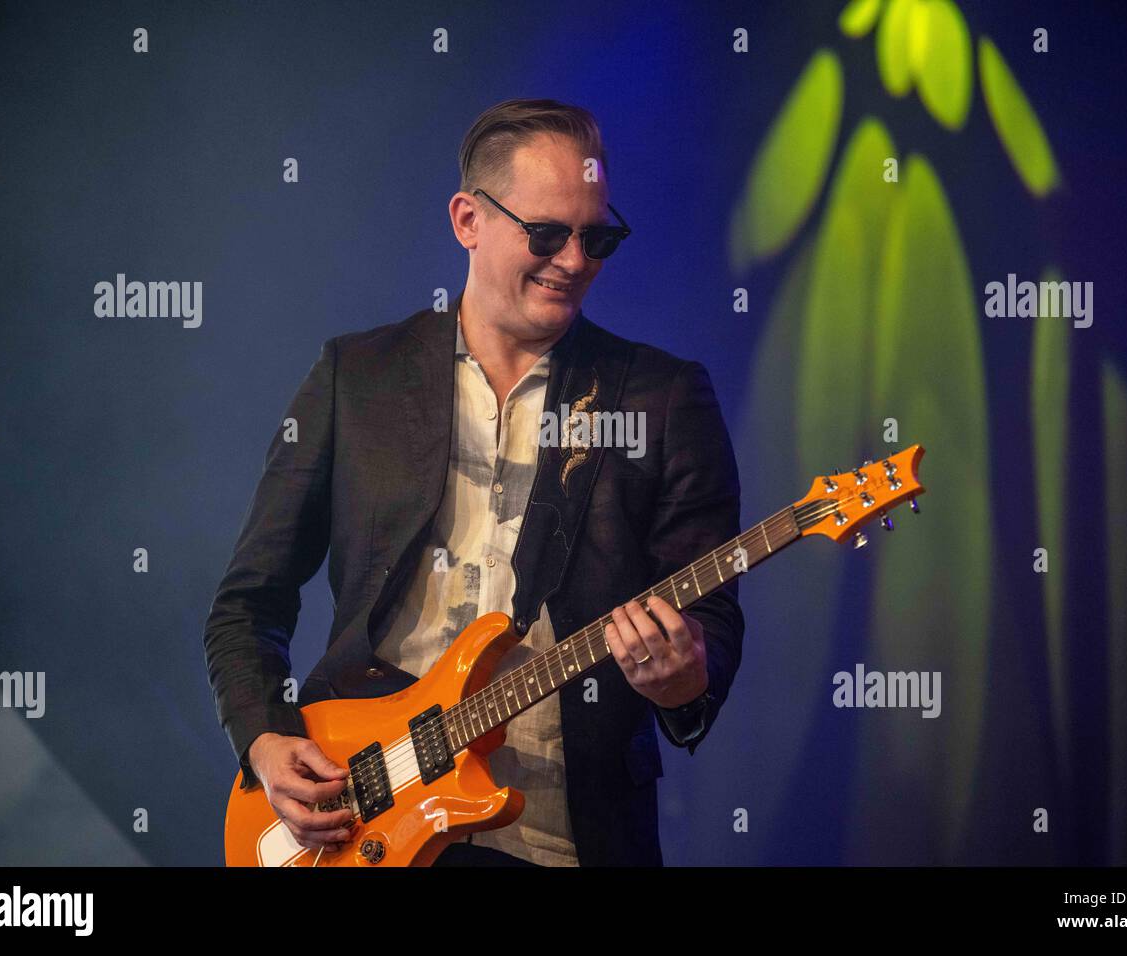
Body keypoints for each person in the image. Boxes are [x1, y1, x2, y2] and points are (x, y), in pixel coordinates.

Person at [203, 98, 743, 866]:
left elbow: (711, 619)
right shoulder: (355, 377)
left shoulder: (661, 397)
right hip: (369, 816)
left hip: (563, 835)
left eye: (597, 238)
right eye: (547, 234)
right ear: (468, 220)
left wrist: (683, 678)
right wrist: (262, 738)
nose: (574, 261)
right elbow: (248, 602)